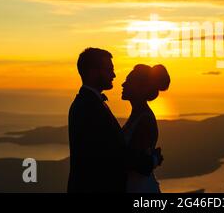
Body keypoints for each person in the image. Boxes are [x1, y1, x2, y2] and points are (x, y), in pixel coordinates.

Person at [67, 48, 162, 193]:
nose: (114, 75)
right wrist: (152, 161)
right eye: (109, 70)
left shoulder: (89, 104)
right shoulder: (90, 107)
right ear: (93, 72)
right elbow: (114, 155)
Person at [121, 64, 170, 193]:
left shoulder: (145, 120)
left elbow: (138, 163)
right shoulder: (138, 115)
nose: (123, 84)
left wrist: (154, 160)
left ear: (140, 88)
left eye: (128, 81)